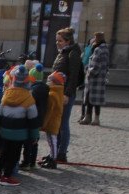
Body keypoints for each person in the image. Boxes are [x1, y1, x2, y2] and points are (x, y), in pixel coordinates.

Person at [0, 65, 38, 187]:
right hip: (19, 131)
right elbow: (33, 118)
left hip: (6, 129)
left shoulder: (7, 93)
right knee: (14, 155)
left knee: (5, 151)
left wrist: (0, 128)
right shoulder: (28, 97)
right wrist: (35, 135)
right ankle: (6, 177)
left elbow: (1, 112)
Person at [51, 27, 82, 163]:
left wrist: (67, 94)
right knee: (56, 122)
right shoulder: (62, 53)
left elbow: (73, 76)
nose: (57, 43)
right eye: (57, 40)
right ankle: (55, 151)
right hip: (57, 91)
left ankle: (62, 152)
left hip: (65, 93)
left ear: (68, 41)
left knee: (63, 123)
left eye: (60, 41)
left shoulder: (72, 54)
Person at [80, 32, 108, 126]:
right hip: (101, 78)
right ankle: (92, 117)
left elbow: (95, 66)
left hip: (94, 79)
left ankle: (90, 117)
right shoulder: (105, 49)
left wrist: (88, 70)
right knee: (95, 100)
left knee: (90, 99)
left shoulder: (98, 50)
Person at [39, 72, 65, 168]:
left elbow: (49, 111)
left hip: (51, 122)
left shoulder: (52, 94)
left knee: (52, 141)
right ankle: (51, 156)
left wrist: (44, 124)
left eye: (50, 81)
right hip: (54, 120)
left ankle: (53, 159)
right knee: (52, 140)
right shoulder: (58, 92)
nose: (48, 82)